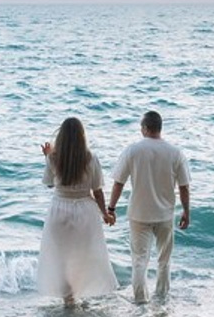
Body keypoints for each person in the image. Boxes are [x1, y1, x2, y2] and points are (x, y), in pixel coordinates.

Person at [107, 110, 191, 303]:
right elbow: (184, 187)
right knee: (164, 260)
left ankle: (140, 302)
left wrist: (111, 208)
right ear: (160, 128)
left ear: (144, 128)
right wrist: (186, 211)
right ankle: (161, 298)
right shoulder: (175, 152)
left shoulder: (132, 150)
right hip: (164, 214)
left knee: (139, 261)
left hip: (139, 214)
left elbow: (118, 182)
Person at [36, 117, 118, 306]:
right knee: (83, 254)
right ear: (82, 136)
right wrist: (105, 213)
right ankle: (81, 292)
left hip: (59, 210)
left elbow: (49, 184)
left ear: (61, 136)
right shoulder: (90, 158)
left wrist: (47, 157)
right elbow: (97, 190)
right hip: (84, 211)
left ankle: (68, 297)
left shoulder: (54, 157)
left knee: (61, 256)